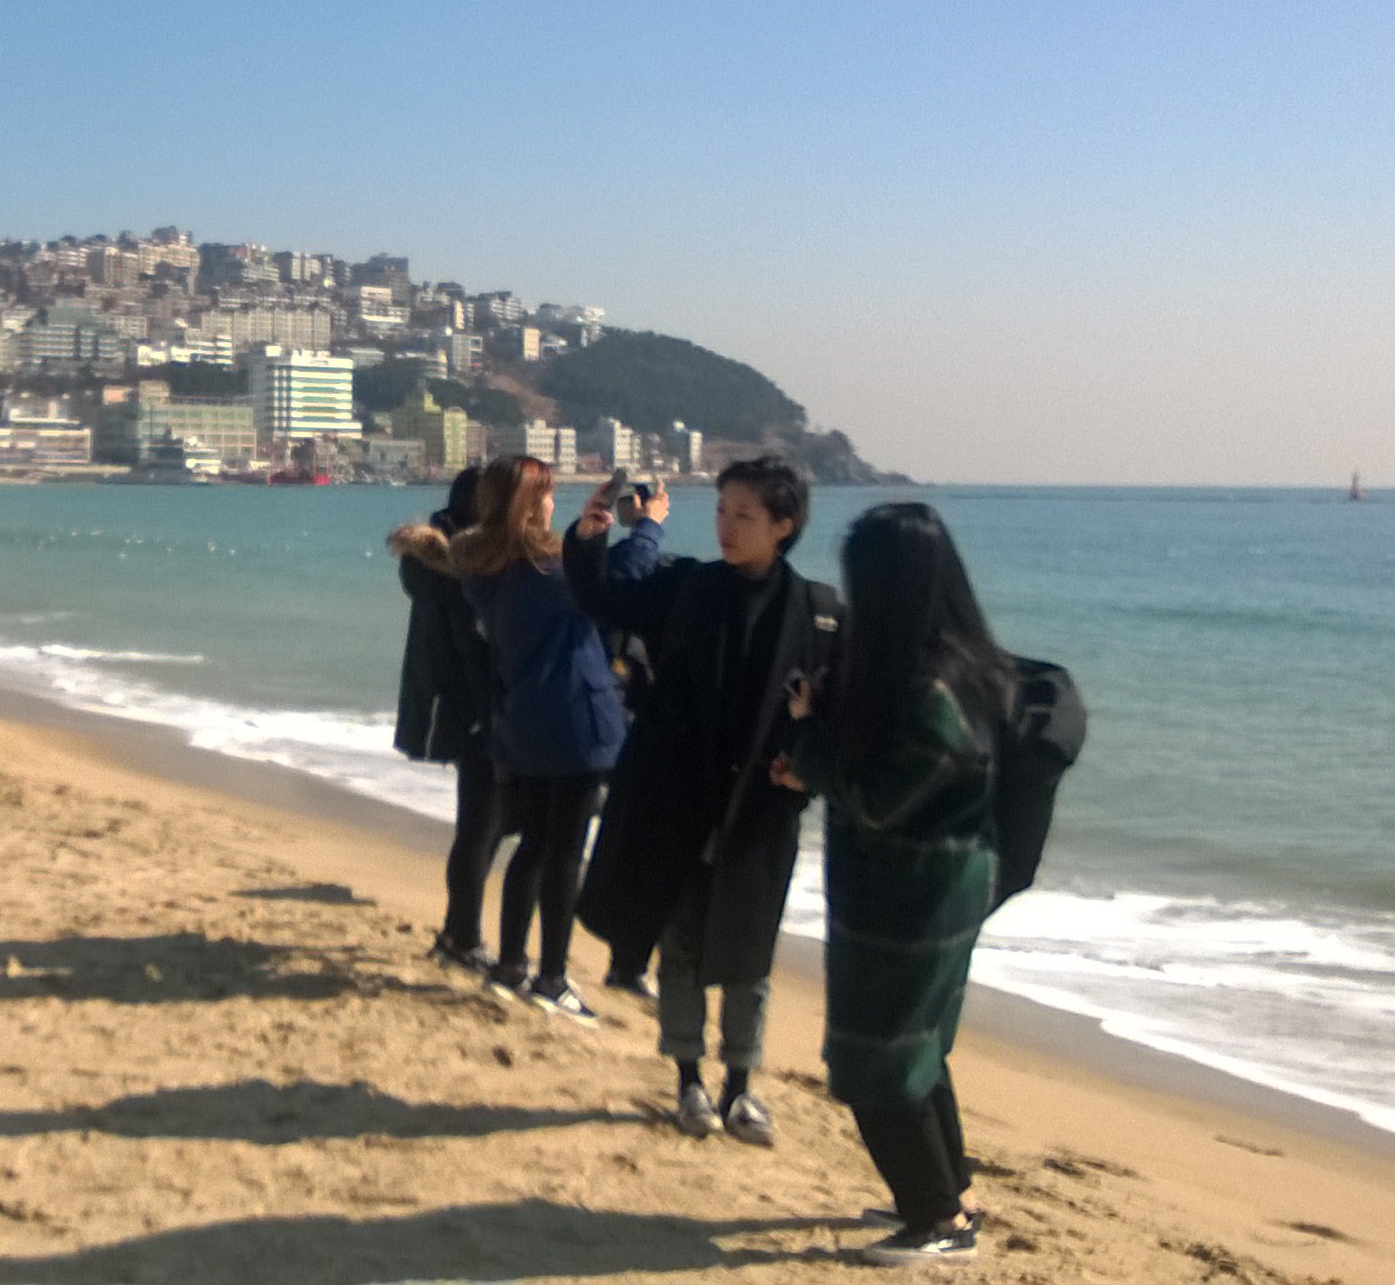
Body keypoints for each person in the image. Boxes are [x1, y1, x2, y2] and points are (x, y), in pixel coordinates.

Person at [566, 456, 838, 1147]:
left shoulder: (822, 613)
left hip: (759, 814)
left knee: (749, 958)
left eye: (744, 516)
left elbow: (842, 717)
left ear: (785, 525)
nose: (726, 526)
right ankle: (688, 1082)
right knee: (681, 948)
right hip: (676, 802)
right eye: (721, 511)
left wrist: (809, 771)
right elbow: (604, 599)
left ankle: (741, 1088)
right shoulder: (687, 586)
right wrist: (590, 537)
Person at [782, 502, 1014, 1266]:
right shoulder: (961, 666)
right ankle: (951, 1193)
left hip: (912, 899)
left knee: (874, 1058)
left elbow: (880, 799)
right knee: (918, 1048)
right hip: (936, 888)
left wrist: (812, 744)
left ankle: (938, 1220)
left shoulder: (932, 690)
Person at [389, 455, 623, 1025]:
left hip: (515, 723)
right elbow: (607, 588)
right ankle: (542, 972)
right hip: (554, 724)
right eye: (544, 495)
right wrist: (631, 533)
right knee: (551, 850)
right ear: (521, 504)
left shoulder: (479, 568)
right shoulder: (542, 571)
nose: (552, 505)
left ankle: (503, 957)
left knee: (525, 844)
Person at [392, 464, 502, 976]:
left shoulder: (433, 559)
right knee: (482, 825)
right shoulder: (464, 572)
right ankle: (464, 937)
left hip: (453, 707)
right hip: (472, 710)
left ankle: (460, 933)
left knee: (480, 825)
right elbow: (471, 647)